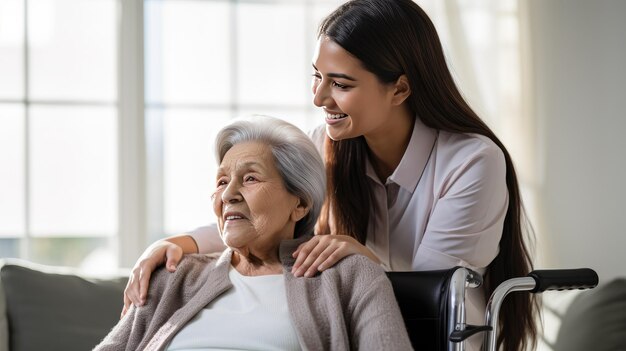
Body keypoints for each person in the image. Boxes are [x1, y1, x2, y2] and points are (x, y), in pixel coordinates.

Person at [123, 1, 537, 350]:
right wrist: (178, 242)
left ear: (400, 89)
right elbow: (270, 211)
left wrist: (360, 256)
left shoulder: (471, 161)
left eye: (339, 83)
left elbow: (432, 296)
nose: (319, 97)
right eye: (317, 77)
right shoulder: (324, 142)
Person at [96, 116, 412, 351]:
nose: (228, 194)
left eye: (249, 178)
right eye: (221, 182)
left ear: (299, 203)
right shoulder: (173, 277)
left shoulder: (350, 275)